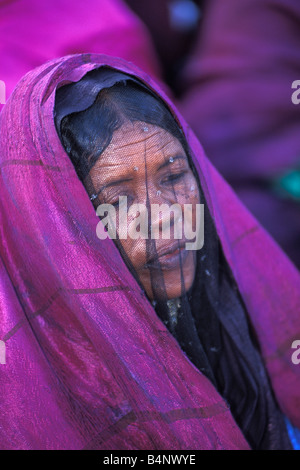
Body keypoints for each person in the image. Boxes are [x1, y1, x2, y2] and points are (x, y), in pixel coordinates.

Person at [0, 53, 299, 450]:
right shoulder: (26, 404)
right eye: (118, 200)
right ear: (55, 227)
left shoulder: (256, 319)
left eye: (174, 175)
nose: (164, 218)